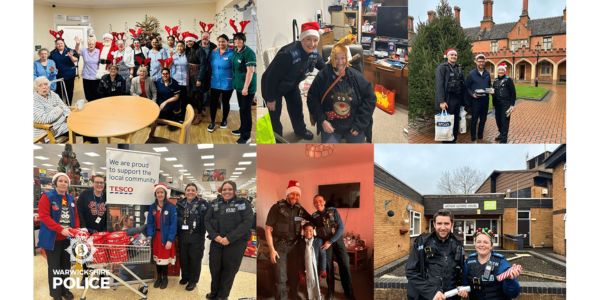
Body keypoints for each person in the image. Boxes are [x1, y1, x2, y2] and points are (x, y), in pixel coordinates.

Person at [262, 22, 325, 140]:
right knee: (274, 116)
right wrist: (270, 99)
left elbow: (324, 68)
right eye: (308, 39)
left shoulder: (314, 53)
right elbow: (271, 77)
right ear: (302, 39)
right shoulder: (287, 54)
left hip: (291, 84)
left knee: (296, 107)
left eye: (315, 40)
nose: (312, 44)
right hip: (272, 86)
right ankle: (277, 139)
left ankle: (300, 130)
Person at [307, 41, 375, 143]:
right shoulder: (323, 75)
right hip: (331, 124)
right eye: (336, 58)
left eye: (343, 58)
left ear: (347, 59)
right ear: (331, 59)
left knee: (359, 154)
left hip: (353, 124)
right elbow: (312, 97)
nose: (340, 62)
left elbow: (370, 98)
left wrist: (359, 124)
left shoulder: (356, 76)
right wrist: (322, 120)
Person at [265, 180, 319, 300]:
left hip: (295, 247)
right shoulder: (277, 207)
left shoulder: (300, 209)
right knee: (281, 277)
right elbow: (268, 229)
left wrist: (311, 230)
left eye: (297, 194)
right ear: (288, 194)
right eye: (292, 194)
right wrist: (271, 250)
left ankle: (293, 296)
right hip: (280, 247)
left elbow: (312, 220)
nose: (295, 196)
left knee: (294, 276)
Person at [205, 181, 254, 299]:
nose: (227, 192)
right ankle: (214, 293)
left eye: (229, 189)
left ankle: (222, 296)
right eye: (224, 189)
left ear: (235, 190)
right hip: (217, 242)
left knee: (229, 271)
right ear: (221, 191)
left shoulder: (243, 204)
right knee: (215, 269)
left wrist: (229, 238)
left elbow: (247, 223)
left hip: (235, 244)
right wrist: (215, 236)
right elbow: (206, 220)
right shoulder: (214, 204)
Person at [37, 173, 80, 300]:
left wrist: (76, 230)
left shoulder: (70, 199)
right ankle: (56, 294)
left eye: (65, 181)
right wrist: (60, 229)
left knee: (66, 267)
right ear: (55, 182)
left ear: (68, 184)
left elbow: (75, 215)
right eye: (60, 181)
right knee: (55, 268)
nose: (63, 183)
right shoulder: (47, 197)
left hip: (67, 239)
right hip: (53, 240)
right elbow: (44, 217)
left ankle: (65, 290)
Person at [406, 209, 465, 300]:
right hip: (427, 296)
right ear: (434, 224)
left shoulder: (458, 243)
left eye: (446, 223)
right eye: (439, 223)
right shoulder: (422, 242)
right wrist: (432, 292)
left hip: (451, 296)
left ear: (452, 224)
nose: (443, 227)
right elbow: (411, 271)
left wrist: (462, 286)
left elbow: (461, 270)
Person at [311, 195, 355, 299]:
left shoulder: (333, 211)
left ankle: (349, 293)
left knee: (345, 266)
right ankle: (330, 292)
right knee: (328, 267)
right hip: (326, 244)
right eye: (315, 202)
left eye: (320, 201)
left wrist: (330, 241)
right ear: (314, 204)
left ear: (324, 201)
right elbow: (313, 231)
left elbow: (341, 227)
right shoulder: (314, 216)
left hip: (336, 241)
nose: (318, 203)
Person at [463, 228, 522, 299]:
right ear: (475, 244)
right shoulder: (469, 261)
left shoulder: (500, 261)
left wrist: (509, 279)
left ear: (491, 246)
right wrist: (464, 291)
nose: (482, 245)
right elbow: (464, 284)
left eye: (485, 242)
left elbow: (513, 294)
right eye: (478, 242)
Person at [176, 183, 209, 291]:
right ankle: (185, 277)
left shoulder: (203, 204)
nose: (190, 192)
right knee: (184, 258)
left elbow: (208, 219)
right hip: (183, 236)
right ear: (185, 192)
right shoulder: (180, 204)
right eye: (188, 190)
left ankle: (193, 281)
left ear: (196, 192)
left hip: (197, 237)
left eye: (193, 190)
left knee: (195, 259)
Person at [146, 183, 177, 289]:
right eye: (158, 192)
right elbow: (150, 223)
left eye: (162, 192)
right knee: (158, 260)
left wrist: (170, 239)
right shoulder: (152, 207)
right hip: (156, 238)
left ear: (165, 193)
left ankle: (165, 278)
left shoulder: (171, 207)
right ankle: (158, 278)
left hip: (166, 238)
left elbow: (174, 224)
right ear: (155, 194)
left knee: (164, 260)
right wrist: (150, 235)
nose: (160, 194)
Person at [231, 23, 257, 144]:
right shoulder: (236, 51)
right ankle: (242, 129)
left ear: (243, 41)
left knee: (246, 110)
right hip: (239, 86)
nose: (237, 41)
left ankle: (246, 136)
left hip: (247, 87)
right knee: (242, 109)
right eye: (235, 39)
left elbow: (250, 71)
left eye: (240, 40)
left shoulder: (249, 53)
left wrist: (246, 87)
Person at [435, 48, 465, 143]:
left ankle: (453, 140)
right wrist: (441, 101)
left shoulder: (458, 68)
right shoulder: (442, 67)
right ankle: (446, 143)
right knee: (447, 122)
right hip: (447, 99)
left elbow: (462, 83)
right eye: (451, 55)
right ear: (447, 56)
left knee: (455, 121)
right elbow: (439, 85)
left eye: (455, 55)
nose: (454, 56)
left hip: (457, 99)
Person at [208, 34, 234, 133]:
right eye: (219, 41)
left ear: (227, 42)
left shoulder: (232, 53)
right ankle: (212, 122)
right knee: (213, 103)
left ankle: (224, 120)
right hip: (214, 82)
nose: (221, 43)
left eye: (223, 41)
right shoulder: (213, 53)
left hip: (227, 82)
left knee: (225, 102)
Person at [183, 31, 208, 125]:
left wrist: (199, 79)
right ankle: (197, 110)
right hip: (189, 74)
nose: (189, 43)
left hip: (197, 74)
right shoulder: (188, 50)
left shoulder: (200, 50)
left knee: (198, 95)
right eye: (187, 42)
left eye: (190, 41)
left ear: (194, 41)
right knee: (191, 95)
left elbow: (203, 65)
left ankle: (199, 114)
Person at [465, 54, 492, 142]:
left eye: (482, 61)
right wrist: (472, 94)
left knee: (483, 119)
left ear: (484, 62)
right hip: (475, 100)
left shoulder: (487, 73)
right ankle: (473, 137)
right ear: (476, 62)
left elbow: (489, 85)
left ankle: (480, 135)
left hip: (485, 100)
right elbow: (467, 87)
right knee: (474, 119)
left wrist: (491, 90)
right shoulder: (471, 74)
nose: (481, 63)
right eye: (479, 61)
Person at [49, 30, 80, 103]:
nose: (59, 45)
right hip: (58, 76)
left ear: (64, 43)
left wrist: (71, 57)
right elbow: (49, 63)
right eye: (58, 44)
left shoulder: (70, 50)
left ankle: (68, 105)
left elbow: (76, 60)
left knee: (69, 91)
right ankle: (61, 106)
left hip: (69, 75)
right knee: (59, 92)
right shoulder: (52, 53)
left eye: (61, 43)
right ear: (56, 45)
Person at [298, 222, 327, 300]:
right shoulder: (301, 243)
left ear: (314, 231)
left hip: (316, 266)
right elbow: (300, 258)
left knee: (317, 281)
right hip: (306, 267)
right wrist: (300, 271)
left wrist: (323, 269)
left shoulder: (318, 241)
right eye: (306, 230)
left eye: (310, 230)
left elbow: (323, 256)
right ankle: (309, 293)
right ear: (303, 231)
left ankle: (317, 293)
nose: (308, 232)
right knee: (308, 281)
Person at [492, 63, 516, 144]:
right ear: (497, 71)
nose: (501, 71)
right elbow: (494, 92)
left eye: (502, 70)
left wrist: (512, 105)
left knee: (505, 121)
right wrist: (491, 92)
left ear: (505, 71)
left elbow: (513, 93)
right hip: (497, 104)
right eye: (499, 70)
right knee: (498, 120)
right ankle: (501, 134)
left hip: (506, 104)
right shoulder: (495, 80)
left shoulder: (508, 79)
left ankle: (504, 139)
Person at [171, 41, 189, 109]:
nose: (179, 48)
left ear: (184, 47)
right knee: (176, 97)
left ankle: (183, 114)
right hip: (176, 79)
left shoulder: (187, 55)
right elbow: (171, 68)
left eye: (181, 46)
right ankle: (176, 113)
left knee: (184, 98)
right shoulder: (173, 56)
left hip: (185, 80)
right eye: (178, 46)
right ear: (176, 47)